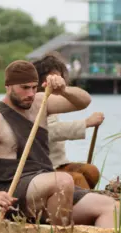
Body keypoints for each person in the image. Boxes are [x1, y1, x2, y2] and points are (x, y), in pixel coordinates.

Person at [0, 60, 120, 228]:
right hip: (14, 194)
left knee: (110, 207)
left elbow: (84, 101)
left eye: (34, 87)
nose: (30, 93)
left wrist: (64, 90)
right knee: (63, 181)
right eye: (24, 87)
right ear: (8, 86)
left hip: (46, 185)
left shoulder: (40, 102)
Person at [32, 53, 103, 190]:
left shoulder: (54, 98)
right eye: (53, 77)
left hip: (59, 163)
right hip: (43, 168)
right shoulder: (35, 100)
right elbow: (50, 131)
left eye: (59, 77)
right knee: (77, 179)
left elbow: (85, 100)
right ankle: (86, 206)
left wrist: (64, 90)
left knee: (91, 172)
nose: (58, 81)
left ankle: (83, 200)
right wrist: (86, 123)